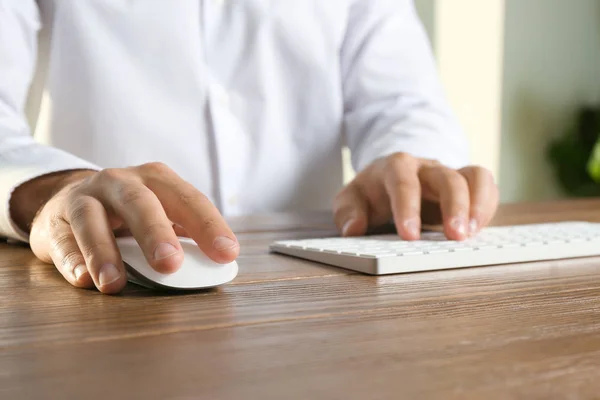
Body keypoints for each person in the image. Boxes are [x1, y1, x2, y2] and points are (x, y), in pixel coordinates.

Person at [0, 0, 499, 294]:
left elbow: (402, 102)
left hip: (315, 292)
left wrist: (409, 165)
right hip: (110, 293)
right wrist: (52, 190)